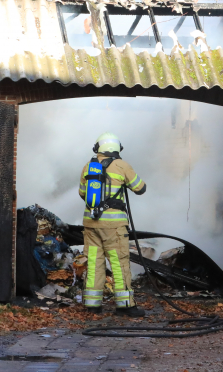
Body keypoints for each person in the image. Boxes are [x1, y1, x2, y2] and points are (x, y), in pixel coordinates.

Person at [78, 132, 146, 317]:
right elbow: (140, 188)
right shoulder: (122, 165)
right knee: (118, 263)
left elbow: (83, 193)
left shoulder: (88, 167)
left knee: (94, 263)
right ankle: (125, 306)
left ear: (98, 147)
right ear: (117, 148)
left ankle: (93, 305)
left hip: (91, 225)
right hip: (114, 227)